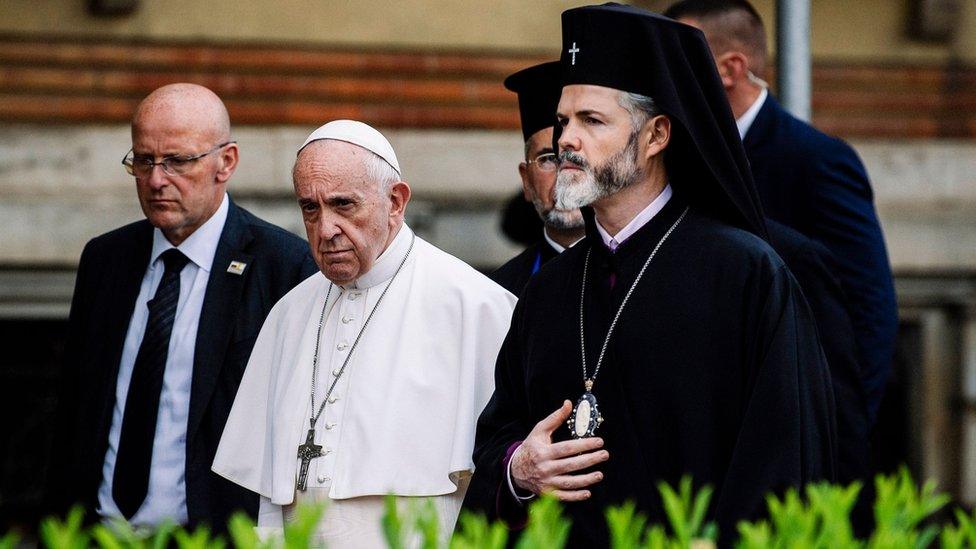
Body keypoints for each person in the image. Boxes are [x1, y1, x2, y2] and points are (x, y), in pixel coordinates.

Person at [464, 4, 836, 545]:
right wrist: (520, 471)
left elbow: (782, 464)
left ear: (656, 135)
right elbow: (499, 434)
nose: (566, 139)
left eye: (592, 121)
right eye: (564, 121)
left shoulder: (745, 275)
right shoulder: (548, 291)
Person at [212, 120, 517, 546]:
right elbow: (269, 495)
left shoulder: (475, 305)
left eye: (343, 205)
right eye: (310, 209)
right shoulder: (289, 313)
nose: (326, 229)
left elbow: (501, 480)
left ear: (395, 201)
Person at [54, 83, 317, 529]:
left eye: (177, 161)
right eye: (143, 160)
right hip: (97, 533)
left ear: (226, 162)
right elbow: (74, 411)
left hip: (211, 537)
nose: (157, 180)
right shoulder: (105, 260)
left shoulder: (285, 267)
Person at [665, 0, 898, 425]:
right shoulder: (674, 157)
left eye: (674, 61)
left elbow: (869, 309)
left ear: (730, 69)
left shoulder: (814, 160)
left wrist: (837, 431)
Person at [490, 61, 586, 296]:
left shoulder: (642, 274)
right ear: (527, 180)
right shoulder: (498, 292)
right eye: (549, 159)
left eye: (575, 158)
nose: (565, 178)